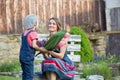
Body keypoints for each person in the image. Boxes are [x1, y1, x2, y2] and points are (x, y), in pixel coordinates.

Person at [19, 14, 47, 80]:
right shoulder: (33, 33)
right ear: (34, 23)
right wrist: (42, 50)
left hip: (22, 57)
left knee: (25, 74)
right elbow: (34, 45)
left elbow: (29, 43)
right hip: (28, 57)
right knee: (29, 75)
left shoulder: (25, 33)